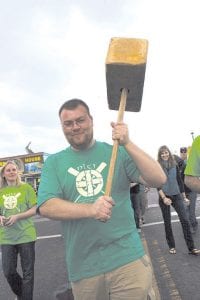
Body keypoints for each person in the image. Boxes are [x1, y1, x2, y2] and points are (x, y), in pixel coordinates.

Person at [37, 98, 166, 300]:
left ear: (91, 120)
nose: (75, 127)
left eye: (80, 120)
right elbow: (46, 206)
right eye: (68, 123)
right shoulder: (54, 163)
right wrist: (91, 209)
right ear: (62, 127)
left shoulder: (117, 152)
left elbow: (158, 178)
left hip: (127, 258)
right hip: (84, 266)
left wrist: (128, 143)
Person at [0, 160, 37, 300]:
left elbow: (35, 209)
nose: (11, 172)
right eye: (8, 170)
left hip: (26, 234)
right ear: (3, 174)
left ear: (18, 172)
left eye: (14, 170)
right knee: (8, 271)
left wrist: (18, 216)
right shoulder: (0, 191)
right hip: (6, 236)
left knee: (28, 273)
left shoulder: (26, 188)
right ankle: (23, 294)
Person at [157, 145, 200, 255]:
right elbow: (157, 184)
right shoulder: (157, 166)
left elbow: (180, 182)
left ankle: (191, 248)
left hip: (176, 195)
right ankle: (171, 246)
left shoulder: (174, 165)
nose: (164, 155)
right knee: (167, 222)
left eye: (166, 152)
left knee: (185, 220)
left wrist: (184, 196)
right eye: (162, 153)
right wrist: (164, 198)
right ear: (159, 155)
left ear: (169, 153)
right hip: (164, 197)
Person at [178, 147, 198, 233]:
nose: (183, 154)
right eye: (182, 152)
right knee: (186, 211)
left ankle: (194, 224)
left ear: (187, 153)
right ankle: (189, 227)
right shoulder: (178, 164)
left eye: (184, 152)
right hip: (183, 192)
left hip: (192, 191)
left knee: (191, 211)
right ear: (180, 153)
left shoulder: (190, 163)